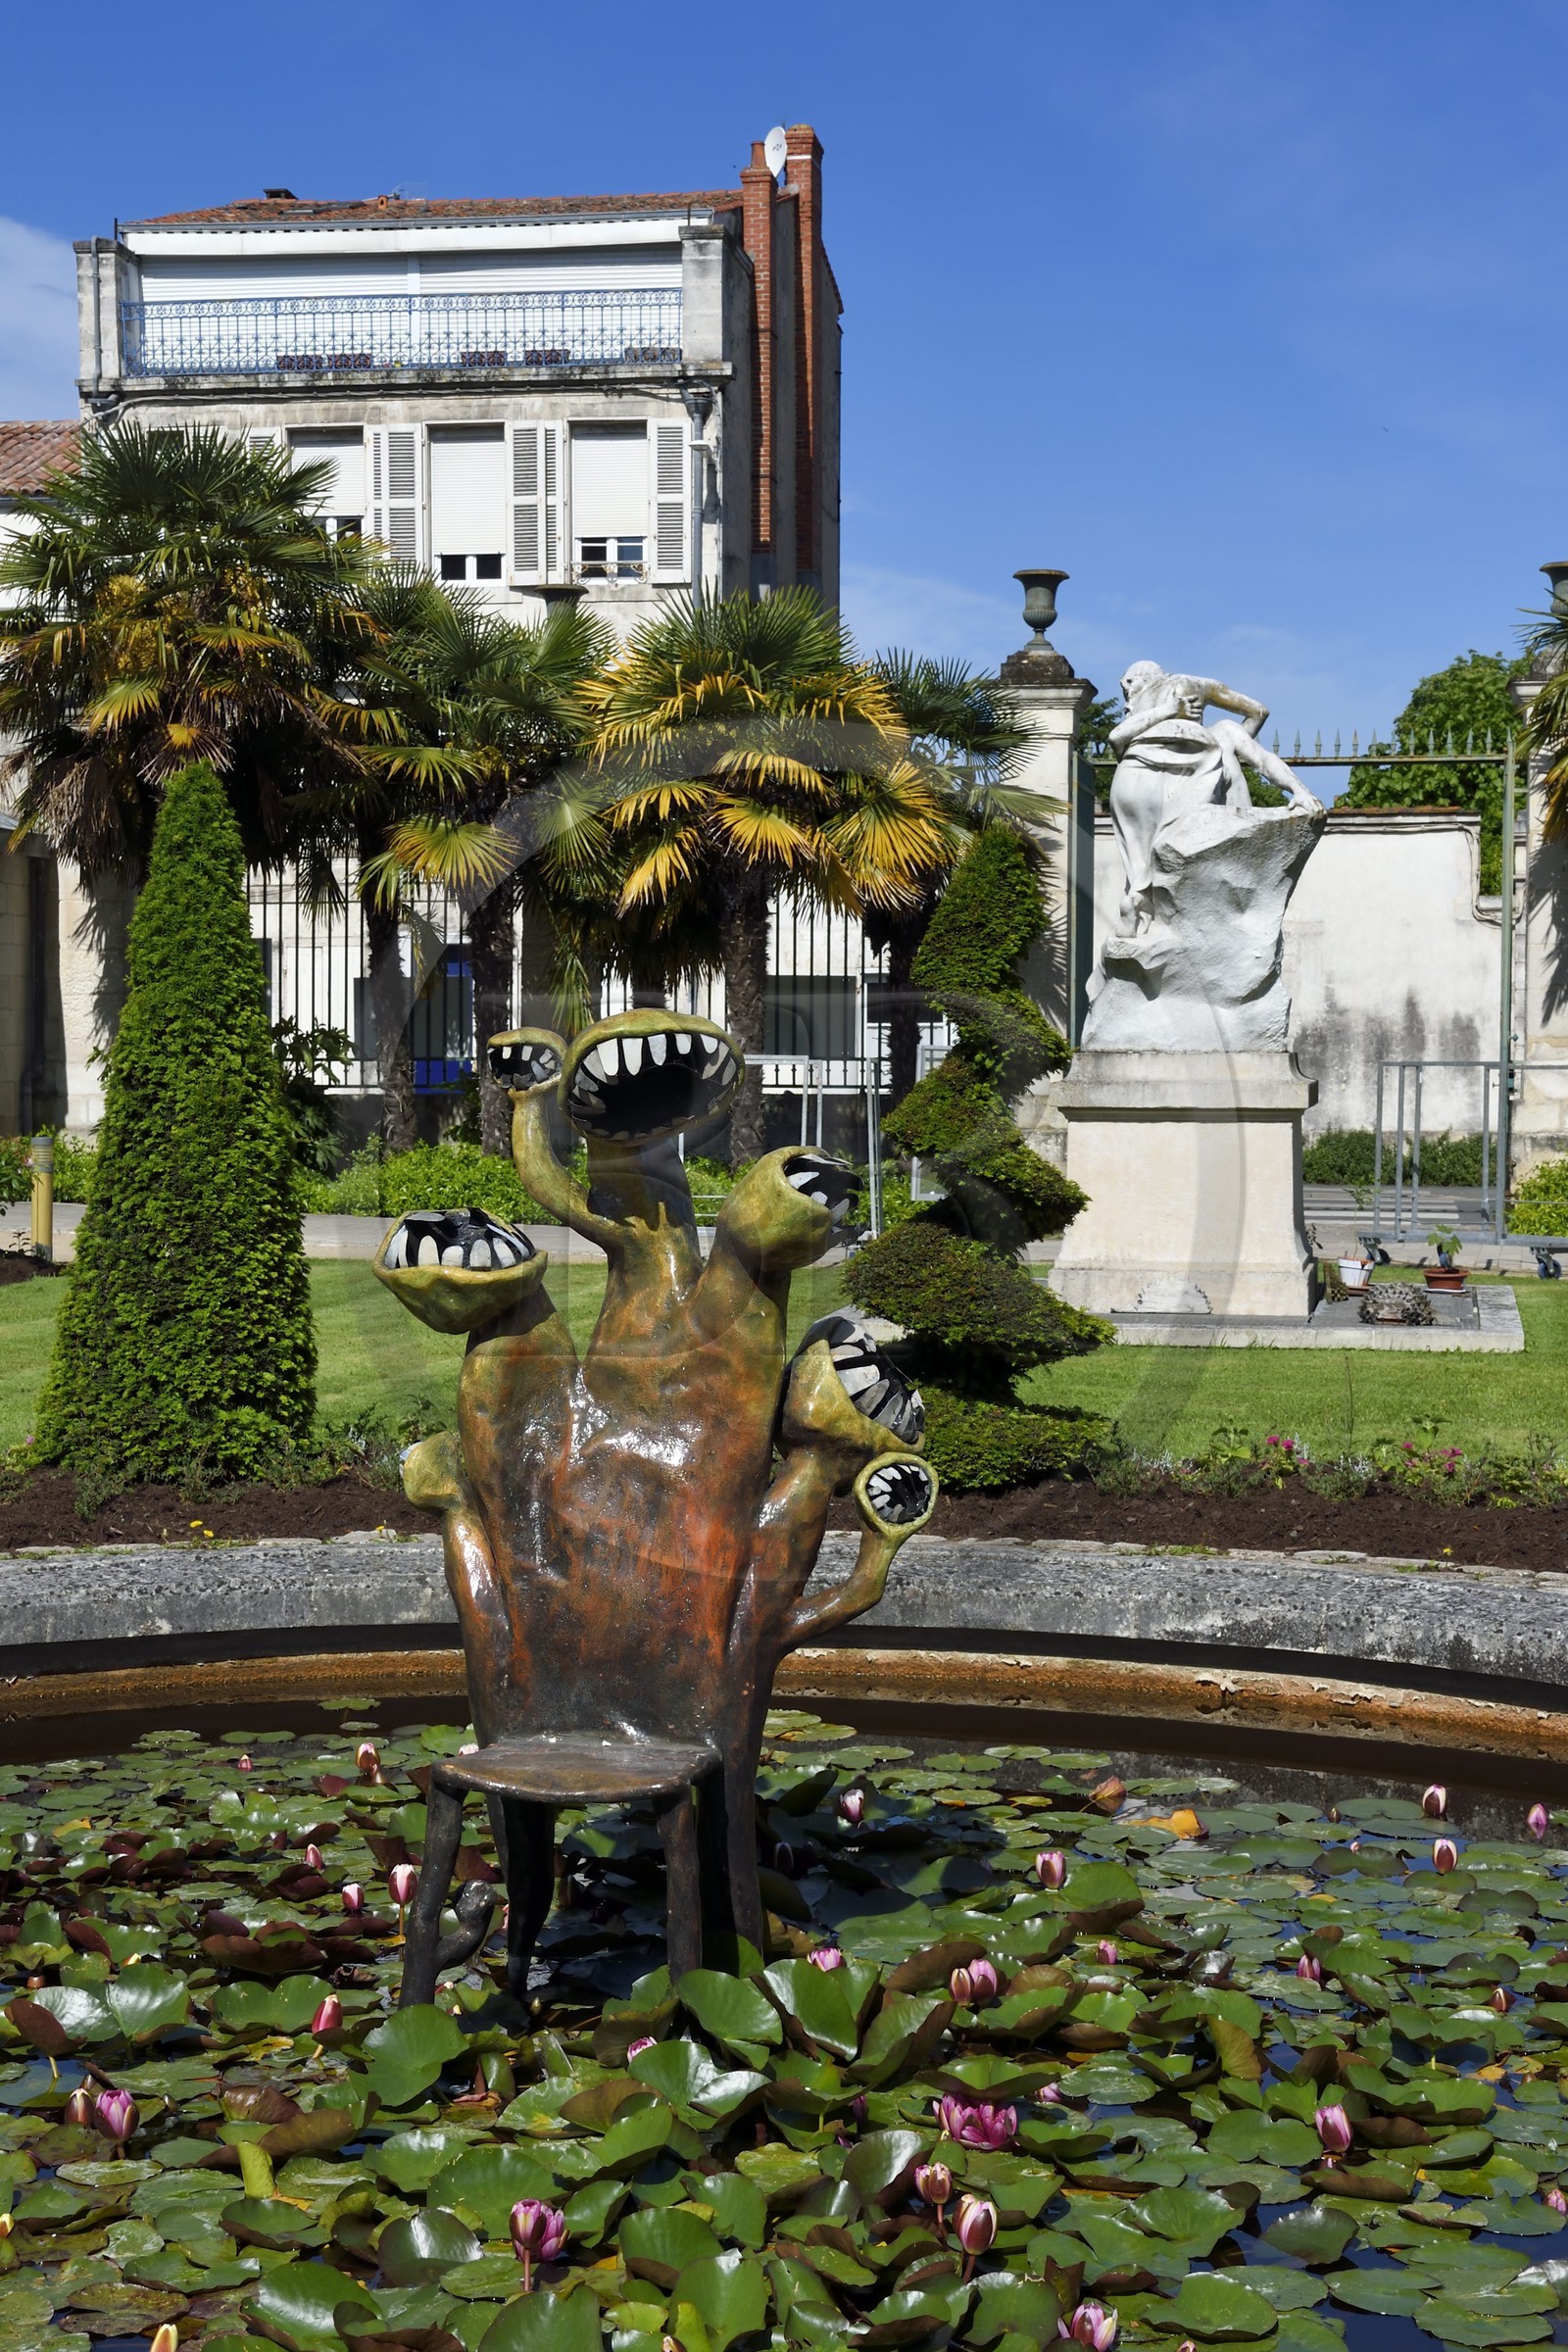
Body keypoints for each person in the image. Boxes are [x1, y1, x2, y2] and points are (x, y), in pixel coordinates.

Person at [1107, 662, 1320, 934]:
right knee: (1173, 852)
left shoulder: (1138, 712)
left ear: (1131, 682)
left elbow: (1116, 738)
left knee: (1140, 861)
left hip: (1129, 779)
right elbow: (1260, 722)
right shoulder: (1211, 710)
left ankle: (1137, 903)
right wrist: (1299, 790)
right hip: (1184, 775)